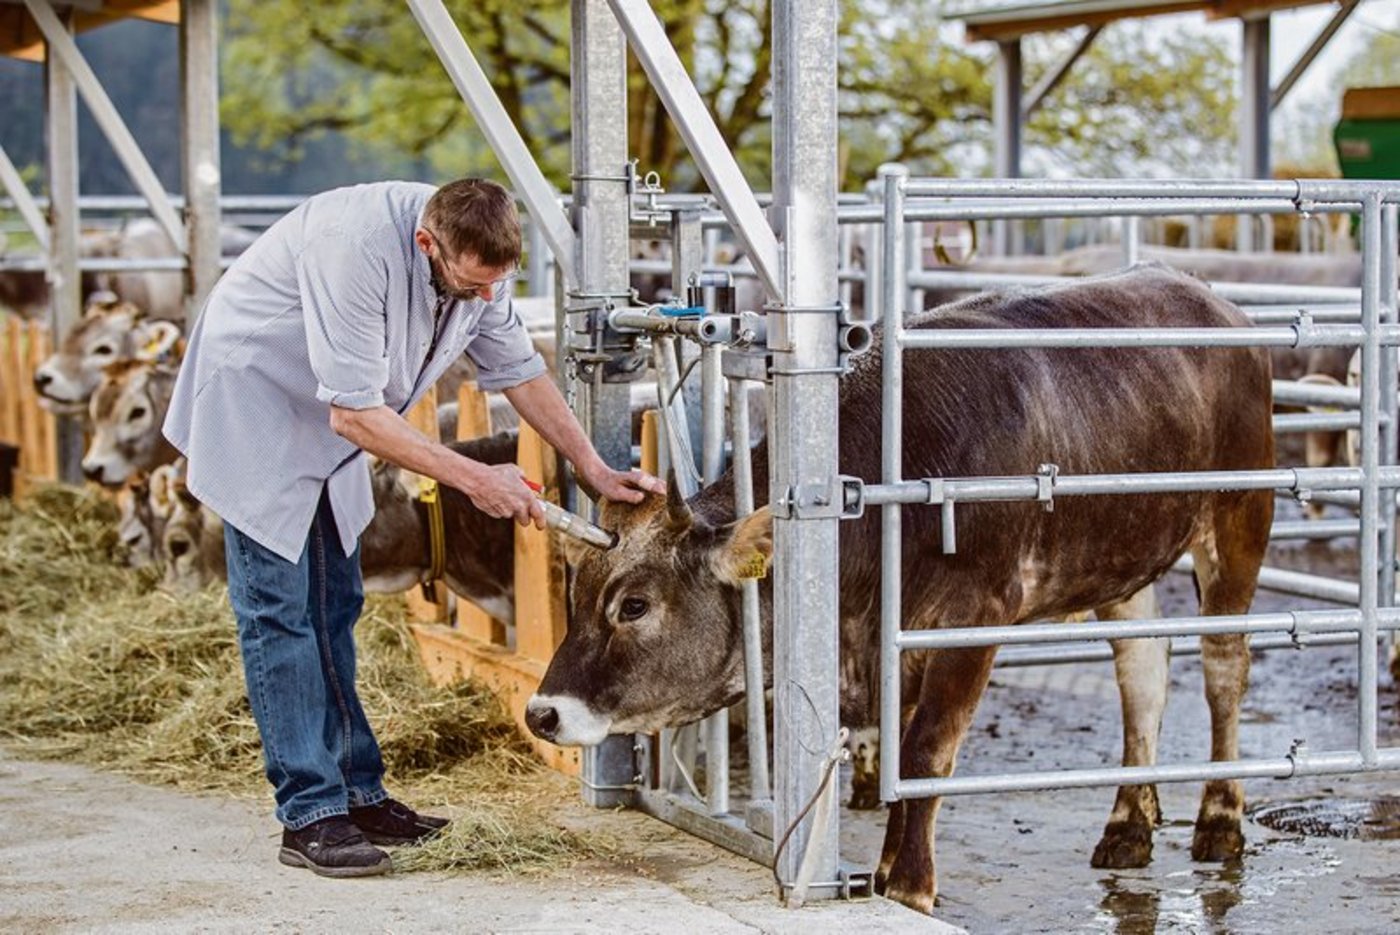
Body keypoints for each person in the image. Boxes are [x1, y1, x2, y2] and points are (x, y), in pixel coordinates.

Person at [163, 178, 661, 878]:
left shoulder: (476, 256)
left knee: (336, 603)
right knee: (280, 613)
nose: (486, 298)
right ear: (428, 244)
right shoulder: (352, 249)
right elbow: (354, 414)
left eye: (498, 283)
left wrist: (593, 466)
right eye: (472, 285)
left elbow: (519, 370)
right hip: (258, 402)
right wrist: (475, 479)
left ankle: (359, 796)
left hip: (331, 419)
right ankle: (309, 813)